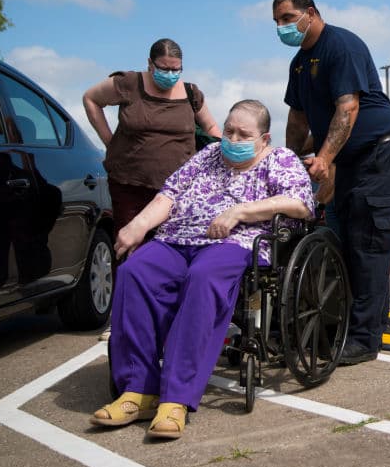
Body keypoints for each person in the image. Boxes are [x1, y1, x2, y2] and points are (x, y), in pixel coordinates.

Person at [89, 100, 314, 440]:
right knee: (135, 270)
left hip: (236, 243)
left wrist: (241, 211)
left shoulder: (280, 160)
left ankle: (176, 398)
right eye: (228, 131)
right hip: (177, 238)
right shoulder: (206, 157)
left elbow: (300, 204)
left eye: (243, 134)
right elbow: (169, 194)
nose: (232, 139)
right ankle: (138, 390)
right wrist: (138, 224)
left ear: (264, 138)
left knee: (204, 277)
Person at [274, 0, 390, 365]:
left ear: (310, 13)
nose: (282, 28)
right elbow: (298, 120)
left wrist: (323, 158)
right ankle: (368, 324)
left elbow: (348, 108)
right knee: (346, 243)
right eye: (277, 22)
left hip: (377, 154)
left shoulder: (340, 46)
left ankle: (364, 340)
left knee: (369, 245)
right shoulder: (299, 64)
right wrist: (288, 161)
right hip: (348, 161)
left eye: (287, 18)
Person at [83, 38, 221, 340]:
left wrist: (225, 153)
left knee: (172, 253)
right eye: (164, 68)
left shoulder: (190, 93)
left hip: (176, 191)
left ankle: (166, 318)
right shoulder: (128, 83)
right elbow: (90, 99)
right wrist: (109, 142)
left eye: (176, 69)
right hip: (130, 183)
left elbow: (211, 129)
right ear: (150, 64)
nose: (170, 74)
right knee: (129, 249)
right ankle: (122, 321)